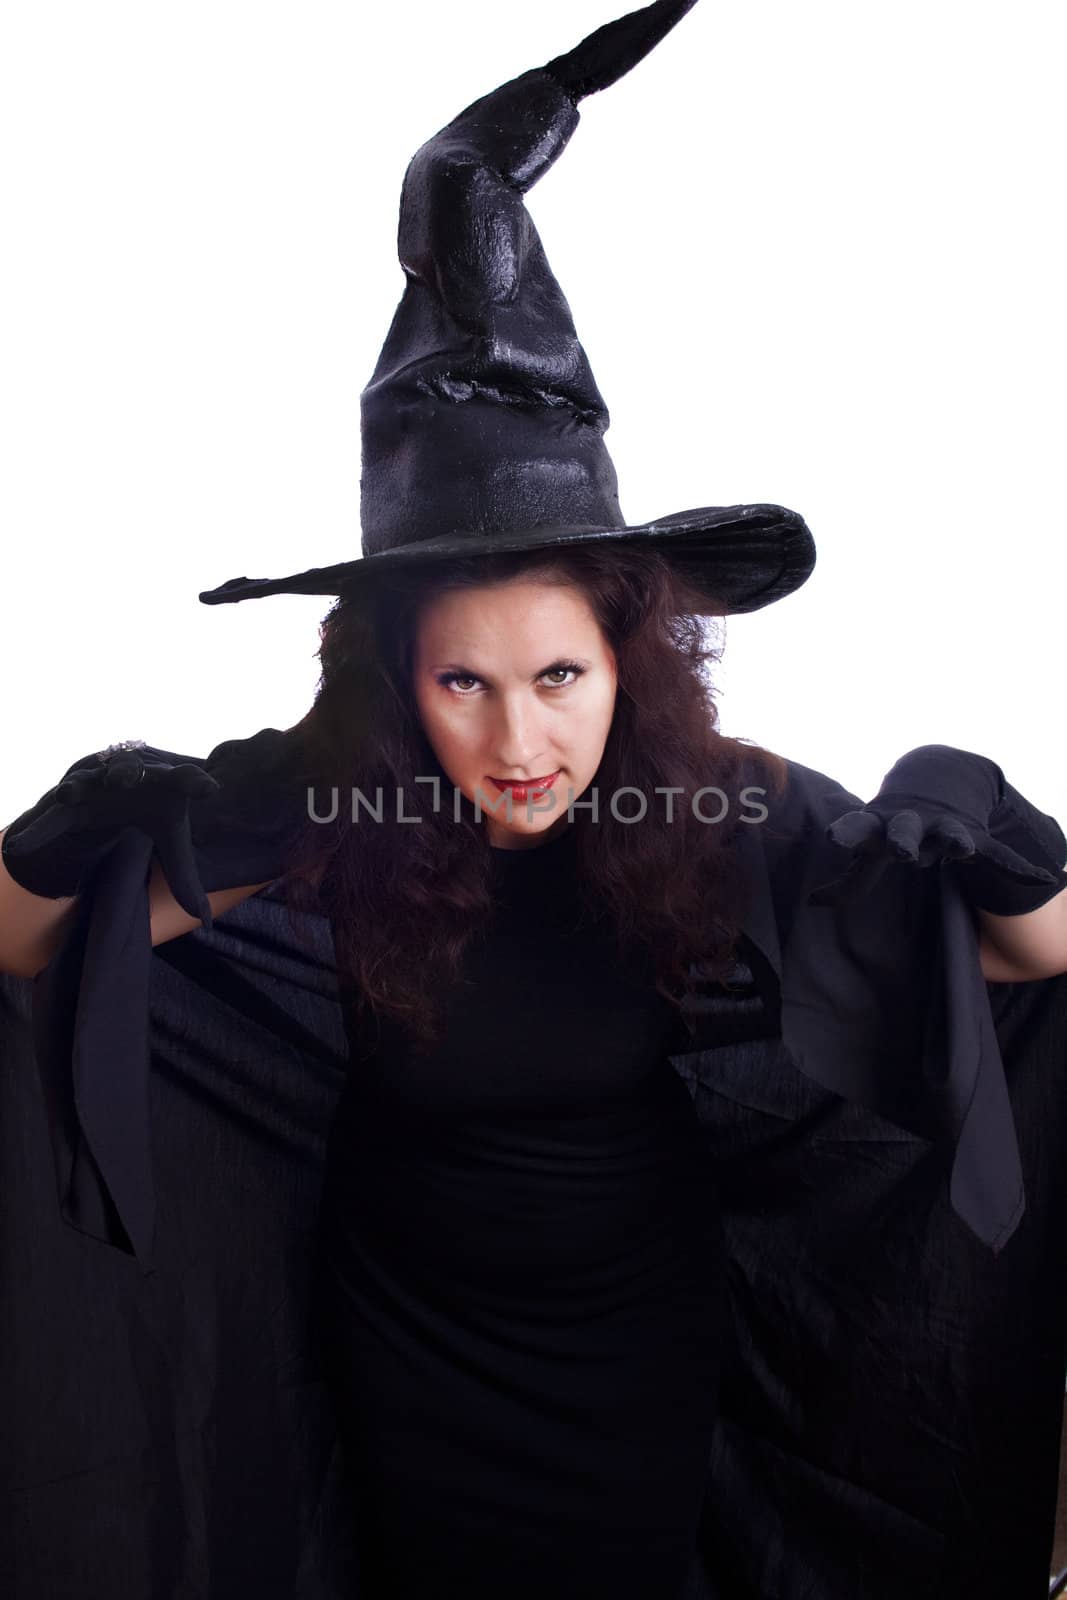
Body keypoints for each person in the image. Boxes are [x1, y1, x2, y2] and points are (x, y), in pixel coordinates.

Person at [4, 4, 1067, 1597]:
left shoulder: (724, 807)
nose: (519, 738)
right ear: (395, 681)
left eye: (559, 678)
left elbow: (1036, 968)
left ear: (627, 664)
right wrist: (63, 834)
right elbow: (30, 964)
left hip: (631, 1326)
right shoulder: (321, 812)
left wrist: (993, 836)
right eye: (463, 684)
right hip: (404, 1329)